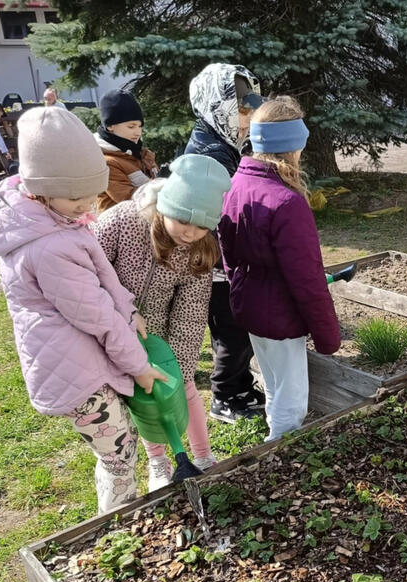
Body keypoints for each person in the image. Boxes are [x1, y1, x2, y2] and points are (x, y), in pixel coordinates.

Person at [0, 107, 165, 514]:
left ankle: (122, 512)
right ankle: (118, 523)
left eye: (89, 195)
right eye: (75, 198)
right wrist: (138, 366)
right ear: (38, 188)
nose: (85, 207)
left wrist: (128, 308)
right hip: (75, 372)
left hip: (84, 357)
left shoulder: (56, 218)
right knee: (118, 454)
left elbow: (102, 277)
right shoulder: (49, 249)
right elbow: (95, 315)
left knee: (121, 443)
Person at [94, 154, 230, 490]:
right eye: (183, 219)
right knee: (141, 396)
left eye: (202, 226)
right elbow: (86, 271)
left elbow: (191, 309)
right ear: (166, 205)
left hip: (162, 333)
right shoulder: (122, 221)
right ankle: (158, 462)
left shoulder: (197, 248)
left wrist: (180, 367)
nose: (190, 232)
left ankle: (202, 457)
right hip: (114, 328)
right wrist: (119, 311)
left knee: (182, 390)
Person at [218, 96, 340, 441]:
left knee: (273, 385)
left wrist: (241, 291)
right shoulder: (287, 202)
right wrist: (328, 335)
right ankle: (279, 460)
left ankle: (275, 438)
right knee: (292, 402)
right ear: (292, 148)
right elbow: (308, 279)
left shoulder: (237, 184)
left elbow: (227, 252)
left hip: (251, 306)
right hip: (282, 315)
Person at [184, 63, 266, 421]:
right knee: (232, 333)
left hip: (222, 260)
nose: (248, 116)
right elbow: (213, 214)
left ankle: (241, 384)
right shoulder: (210, 155)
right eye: (242, 108)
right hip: (215, 262)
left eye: (250, 106)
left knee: (235, 329)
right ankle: (225, 396)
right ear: (218, 107)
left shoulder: (223, 144)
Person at [94, 89, 158, 212]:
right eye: (131, 126)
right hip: (120, 227)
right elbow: (127, 198)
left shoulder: (141, 153)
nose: (138, 132)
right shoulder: (106, 161)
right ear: (110, 126)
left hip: (147, 218)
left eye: (140, 126)